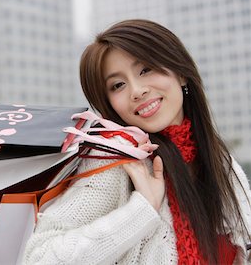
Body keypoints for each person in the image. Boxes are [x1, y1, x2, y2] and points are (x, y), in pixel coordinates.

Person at [22, 19, 251, 264]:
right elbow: (39, 257)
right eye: (118, 85)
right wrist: (141, 210)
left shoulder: (221, 163)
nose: (137, 91)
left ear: (181, 73)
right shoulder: (119, 164)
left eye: (146, 69)